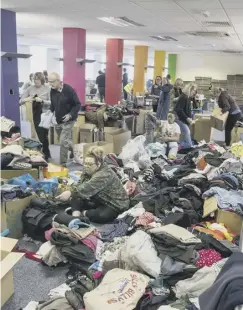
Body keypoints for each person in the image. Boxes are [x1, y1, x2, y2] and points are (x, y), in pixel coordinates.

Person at [56, 146, 130, 224]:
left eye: (90, 164)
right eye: (85, 163)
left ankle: (82, 213)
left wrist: (70, 192)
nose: (86, 167)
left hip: (114, 204)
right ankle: (75, 217)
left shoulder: (104, 174)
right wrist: (72, 193)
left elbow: (87, 187)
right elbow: (80, 185)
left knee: (101, 216)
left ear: (99, 164)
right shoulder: (88, 168)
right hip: (98, 199)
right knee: (76, 196)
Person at [48, 72, 80, 166]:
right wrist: (49, 112)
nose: (50, 84)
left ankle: (63, 163)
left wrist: (70, 115)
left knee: (63, 141)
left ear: (58, 80)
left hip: (69, 120)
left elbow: (77, 104)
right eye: (49, 82)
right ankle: (75, 150)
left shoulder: (68, 90)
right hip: (58, 120)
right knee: (65, 141)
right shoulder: (52, 90)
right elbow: (53, 104)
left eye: (52, 82)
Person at [20, 72, 51, 160]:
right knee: (39, 134)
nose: (36, 81)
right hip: (35, 114)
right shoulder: (30, 88)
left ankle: (46, 152)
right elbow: (20, 100)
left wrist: (42, 101)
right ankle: (42, 154)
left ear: (42, 80)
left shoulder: (47, 89)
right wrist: (27, 99)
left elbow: (51, 102)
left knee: (44, 135)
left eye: (37, 80)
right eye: (34, 80)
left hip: (45, 114)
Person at [175, 83, 197, 149]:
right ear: (190, 89)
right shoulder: (183, 97)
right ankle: (176, 147)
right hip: (180, 120)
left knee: (184, 139)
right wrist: (187, 118)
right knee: (188, 144)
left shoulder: (187, 97)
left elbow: (193, 107)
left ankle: (177, 147)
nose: (194, 93)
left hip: (183, 121)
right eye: (194, 91)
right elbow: (179, 110)